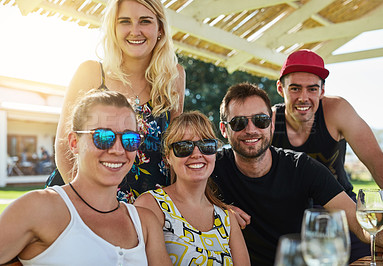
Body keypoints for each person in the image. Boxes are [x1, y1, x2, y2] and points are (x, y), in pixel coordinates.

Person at [212, 82, 383, 265]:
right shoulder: (211, 167)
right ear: (224, 130)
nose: (251, 130)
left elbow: (358, 222)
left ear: (271, 124)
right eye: (238, 123)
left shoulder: (301, 167)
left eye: (260, 120)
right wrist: (218, 208)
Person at [0, 90, 171, 265]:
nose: (118, 150)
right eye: (103, 137)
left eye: (130, 139)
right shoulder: (38, 208)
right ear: (74, 142)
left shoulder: (144, 223)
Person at [46, 0, 186, 203]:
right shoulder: (91, 73)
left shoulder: (174, 77)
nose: (135, 31)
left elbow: (175, 150)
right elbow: (64, 147)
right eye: (125, 21)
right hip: (81, 201)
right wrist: (88, 206)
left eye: (145, 21)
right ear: (113, 28)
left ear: (160, 29)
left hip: (148, 207)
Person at [272, 49, 383, 261]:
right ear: (280, 88)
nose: (303, 97)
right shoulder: (267, 122)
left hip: (344, 212)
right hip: (291, 217)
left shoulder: (337, 110)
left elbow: (377, 162)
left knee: (382, 258)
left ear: (322, 90)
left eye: (312, 89)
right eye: (295, 88)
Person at [135, 111, 250, 265]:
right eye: (183, 147)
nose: (196, 153)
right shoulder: (150, 206)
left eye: (206, 145)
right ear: (168, 157)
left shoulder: (227, 219)